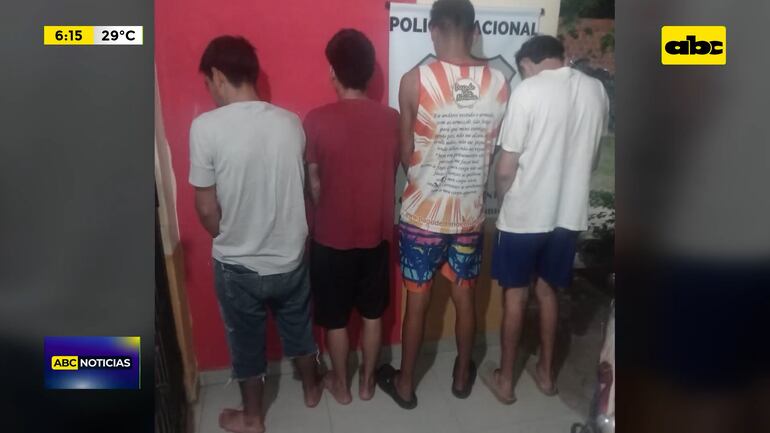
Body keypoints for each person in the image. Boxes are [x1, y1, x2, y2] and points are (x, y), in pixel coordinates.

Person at [376, 0, 509, 409]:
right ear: (473, 32)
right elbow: (493, 148)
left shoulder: (414, 80)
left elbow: (405, 153)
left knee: (417, 302)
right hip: (469, 215)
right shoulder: (500, 83)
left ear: (433, 29)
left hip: (422, 216)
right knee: (465, 297)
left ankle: (405, 385)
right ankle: (462, 377)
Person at [189, 35, 322, 433]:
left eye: (208, 83)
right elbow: (301, 189)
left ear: (217, 76)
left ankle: (251, 417)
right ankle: (312, 390)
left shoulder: (206, 128)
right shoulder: (290, 122)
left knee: (246, 342)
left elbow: (206, 209)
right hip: (290, 259)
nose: (210, 91)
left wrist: (228, 235)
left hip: (237, 266)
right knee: (299, 326)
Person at [480, 35, 609, 405]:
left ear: (527, 64)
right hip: (567, 215)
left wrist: (503, 199)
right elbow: (593, 158)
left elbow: (506, 168)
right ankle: (547, 376)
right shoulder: (597, 91)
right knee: (549, 291)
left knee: (515, 295)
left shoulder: (528, 91)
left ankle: (506, 381)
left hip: (524, 216)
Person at [303, 29, 400, 404]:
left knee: (335, 319)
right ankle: (368, 384)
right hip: (376, 236)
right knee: (373, 315)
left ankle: (341, 387)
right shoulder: (391, 119)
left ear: (333, 72)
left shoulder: (315, 120)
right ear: (369, 73)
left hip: (330, 238)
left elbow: (313, 184)